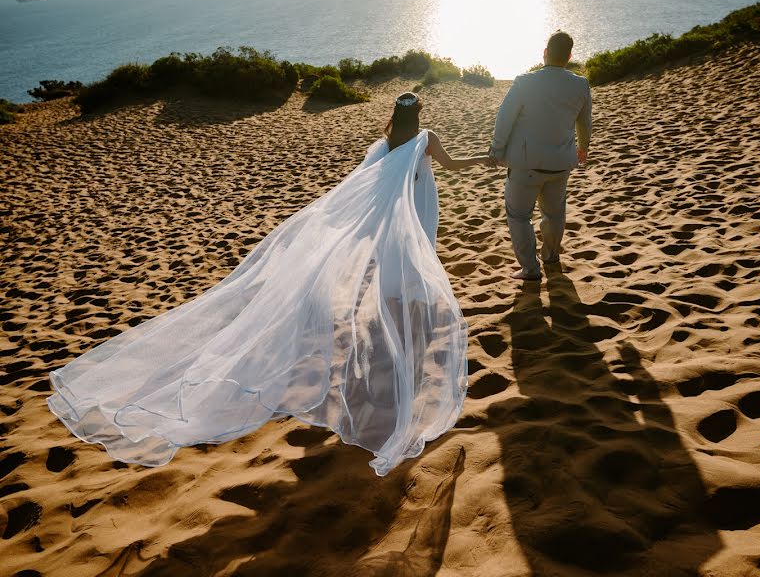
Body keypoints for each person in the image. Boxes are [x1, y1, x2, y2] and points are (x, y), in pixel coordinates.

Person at [47, 92, 490, 477]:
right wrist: (487, 159)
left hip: (388, 235)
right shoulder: (426, 139)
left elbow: (358, 189)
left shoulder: (384, 143)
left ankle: (387, 342)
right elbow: (449, 166)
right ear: (420, 115)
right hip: (414, 224)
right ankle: (395, 358)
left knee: (394, 287)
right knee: (412, 287)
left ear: (395, 116)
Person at [488, 31, 592, 281]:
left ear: (545, 53)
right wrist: (583, 148)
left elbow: (504, 120)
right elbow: (585, 122)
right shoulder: (580, 84)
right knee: (555, 214)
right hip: (561, 164)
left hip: (526, 164)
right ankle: (551, 256)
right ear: (569, 56)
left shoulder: (525, 82)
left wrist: (496, 151)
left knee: (519, 216)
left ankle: (530, 268)